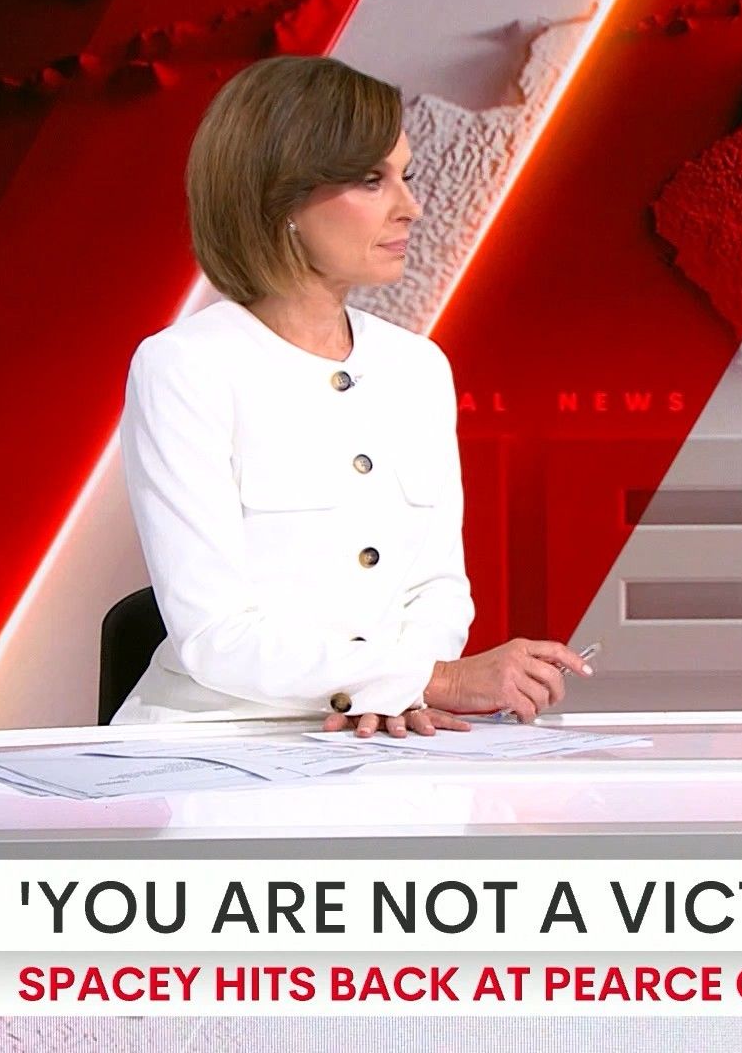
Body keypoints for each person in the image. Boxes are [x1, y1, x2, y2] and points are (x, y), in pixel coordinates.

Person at [113, 56, 590, 737]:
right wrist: (432, 680)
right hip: (216, 743)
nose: (411, 207)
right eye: (372, 180)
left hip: (383, 737)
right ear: (280, 198)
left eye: (405, 177)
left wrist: (396, 691)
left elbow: (436, 588)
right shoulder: (185, 367)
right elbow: (214, 635)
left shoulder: (416, 367)